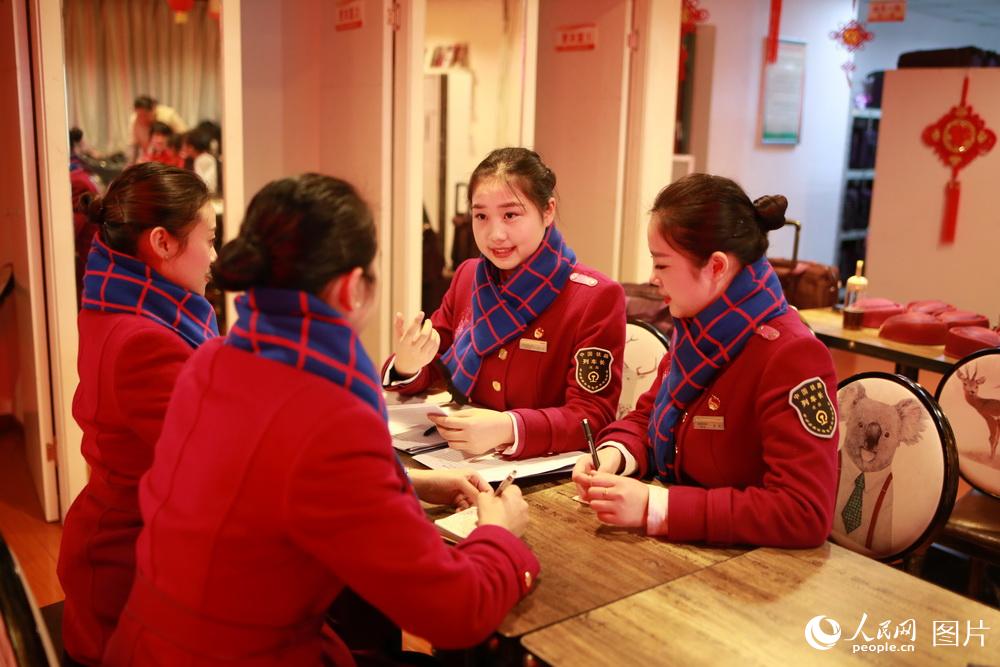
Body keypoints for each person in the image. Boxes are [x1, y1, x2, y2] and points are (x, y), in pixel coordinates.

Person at [103, 173, 539, 666]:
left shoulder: (212, 360)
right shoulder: (330, 416)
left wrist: (412, 483)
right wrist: (500, 536)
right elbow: (455, 610)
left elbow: (275, 482)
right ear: (353, 289)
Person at [572, 173, 839, 548]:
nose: (652, 279)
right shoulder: (700, 327)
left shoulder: (791, 355)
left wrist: (656, 506)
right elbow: (650, 415)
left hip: (754, 578)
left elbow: (803, 511)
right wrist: (614, 456)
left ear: (716, 267)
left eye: (662, 264)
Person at [57, 163, 218, 666]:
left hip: (125, 547)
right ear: (162, 243)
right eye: (209, 239)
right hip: (130, 574)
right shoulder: (148, 340)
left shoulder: (115, 302)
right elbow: (217, 464)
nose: (215, 255)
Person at [385, 147, 626, 459]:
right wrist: (406, 364)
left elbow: (592, 417)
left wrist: (509, 428)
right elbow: (435, 362)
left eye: (511, 215)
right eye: (481, 216)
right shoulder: (469, 276)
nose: (495, 234)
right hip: (460, 458)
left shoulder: (594, 296)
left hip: (541, 471)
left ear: (547, 210)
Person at [129, 95, 187, 162]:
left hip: (172, 157)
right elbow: (134, 145)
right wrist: (132, 162)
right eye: (139, 115)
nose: (142, 119)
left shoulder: (168, 115)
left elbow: (184, 135)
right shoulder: (134, 120)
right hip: (151, 157)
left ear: (153, 109)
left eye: (145, 115)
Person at [180, 128, 219, 193]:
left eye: (185, 145)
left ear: (192, 147)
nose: (183, 148)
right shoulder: (197, 159)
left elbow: (208, 186)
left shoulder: (204, 159)